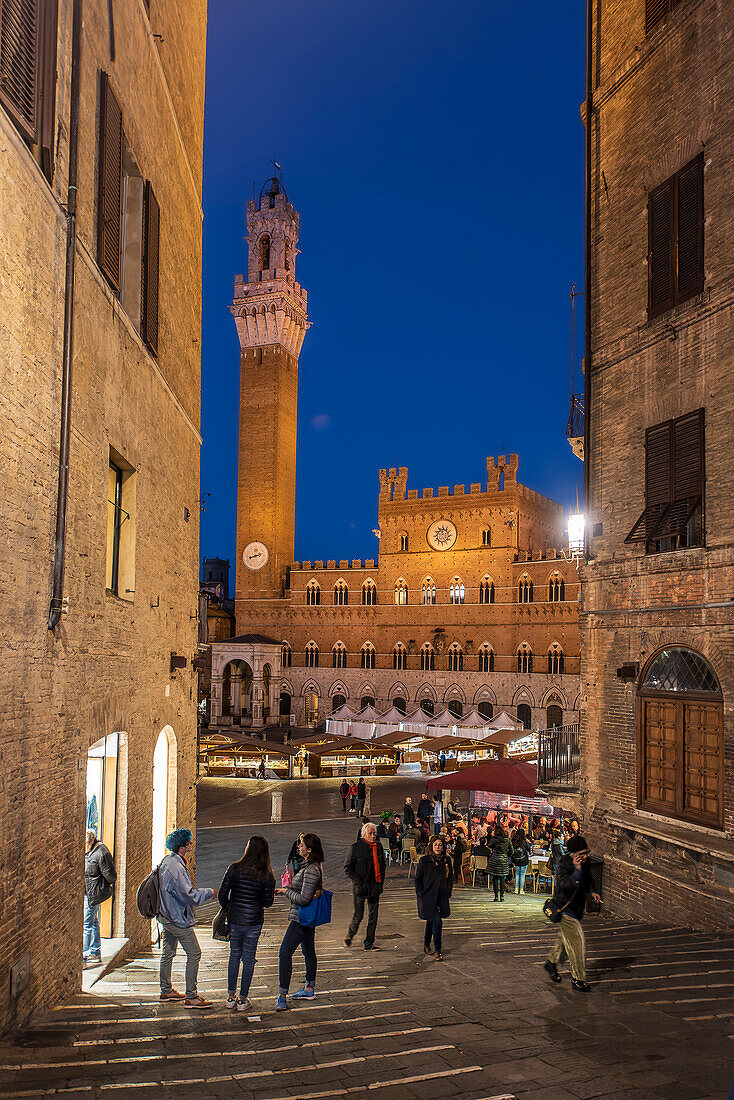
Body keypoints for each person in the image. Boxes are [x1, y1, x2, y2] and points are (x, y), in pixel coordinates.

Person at [158, 828, 215, 1009]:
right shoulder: (176, 868)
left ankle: (166, 990)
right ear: (182, 847)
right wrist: (209, 893)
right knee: (194, 953)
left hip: (166, 914)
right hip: (176, 918)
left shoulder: (168, 861)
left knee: (168, 952)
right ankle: (191, 996)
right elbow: (188, 895)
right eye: (189, 842)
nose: (191, 844)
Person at [217, 836, 275, 1010]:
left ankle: (230, 997)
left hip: (235, 919)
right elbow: (267, 902)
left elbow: (222, 894)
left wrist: (230, 906)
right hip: (254, 921)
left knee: (234, 955)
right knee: (248, 960)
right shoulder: (267, 875)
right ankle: (243, 999)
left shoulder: (234, 868)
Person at [544, 835, 601, 992]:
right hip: (565, 909)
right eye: (582, 853)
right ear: (573, 853)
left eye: (586, 852)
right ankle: (578, 979)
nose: (585, 856)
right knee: (577, 945)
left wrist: (592, 891)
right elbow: (565, 885)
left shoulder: (586, 862)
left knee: (565, 940)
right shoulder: (564, 863)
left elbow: (588, 879)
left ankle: (551, 962)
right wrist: (576, 870)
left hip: (577, 908)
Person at [274, 832, 325, 1010]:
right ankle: (309, 988)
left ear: (309, 850)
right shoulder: (309, 866)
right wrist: (285, 890)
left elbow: (304, 898)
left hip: (301, 919)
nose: (299, 848)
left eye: (301, 846)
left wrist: (286, 891)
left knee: (284, 953)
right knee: (308, 951)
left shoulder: (311, 870)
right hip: (305, 918)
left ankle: (282, 995)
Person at [344, 821, 386, 951]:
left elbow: (382, 865)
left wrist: (381, 882)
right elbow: (348, 867)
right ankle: (350, 935)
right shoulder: (356, 847)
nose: (373, 836)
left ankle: (369, 943)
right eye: (370, 833)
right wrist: (358, 882)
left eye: (374, 833)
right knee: (359, 915)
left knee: (373, 917)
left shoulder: (378, 846)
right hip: (361, 888)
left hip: (374, 887)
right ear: (364, 835)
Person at [414, 834, 453, 961]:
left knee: (431, 921)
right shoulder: (424, 861)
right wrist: (420, 894)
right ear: (431, 846)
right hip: (428, 897)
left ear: (443, 847)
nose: (437, 847)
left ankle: (426, 944)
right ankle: (437, 949)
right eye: (435, 844)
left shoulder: (446, 861)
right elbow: (418, 879)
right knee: (437, 921)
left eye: (440, 845)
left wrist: (448, 892)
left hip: (441, 897)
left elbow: (450, 878)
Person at [83, 830, 117, 968]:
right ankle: (95, 952)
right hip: (88, 893)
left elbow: (111, 876)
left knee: (86, 925)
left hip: (94, 894)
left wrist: (100, 885)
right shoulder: (90, 852)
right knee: (93, 921)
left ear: (91, 841)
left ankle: (83, 957)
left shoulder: (101, 853)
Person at [487, 824, 512, 902]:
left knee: (495, 878)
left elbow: (489, 845)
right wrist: (506, 856)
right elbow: (512, 850)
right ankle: (502, 896)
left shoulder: (494, 839)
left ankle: (496, 896)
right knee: (502, 878)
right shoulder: (507, 840)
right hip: (503, 861)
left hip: (495, 861)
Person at [510, 827, 532, 894]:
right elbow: (529, 849)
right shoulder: (524, 842)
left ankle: (516, 889)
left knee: (517, 874)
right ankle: (521, 890)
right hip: (523, 860)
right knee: (522, 875)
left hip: (516, 860)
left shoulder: (514, 842)